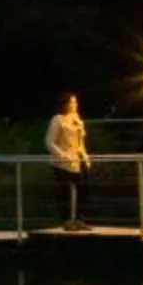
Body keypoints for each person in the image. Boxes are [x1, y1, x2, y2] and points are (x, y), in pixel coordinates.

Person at [45, 93, 91, 230]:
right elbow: (49, 141)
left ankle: (79, 219)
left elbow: (80, 141)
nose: (75, 105)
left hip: (79, 159)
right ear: (65, 104)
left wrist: (86, 156)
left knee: (83, 189)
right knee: (65, 191)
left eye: (75, 102)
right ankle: (67, 220)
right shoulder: (57, 119)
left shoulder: (77, 119)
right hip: (63, 162)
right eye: (72, 102)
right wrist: (62, 155)